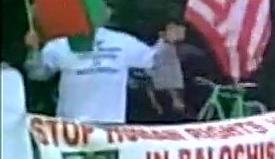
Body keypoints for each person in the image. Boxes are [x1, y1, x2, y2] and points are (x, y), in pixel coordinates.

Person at [24, 22, 184, 124]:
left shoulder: (121, 41)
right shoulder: (61, 45)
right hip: (71, 128)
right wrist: (33, 50)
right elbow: (37, 74)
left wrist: (166, 43)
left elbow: (154, 62)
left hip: (112, 127)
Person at [146, 21, 187, 123]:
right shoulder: (162, 51)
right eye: (173, 30)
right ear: (162, 34)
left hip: (170, 92)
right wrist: (175, 98)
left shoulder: (169, 48)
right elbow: (163, 77)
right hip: (167, 94)